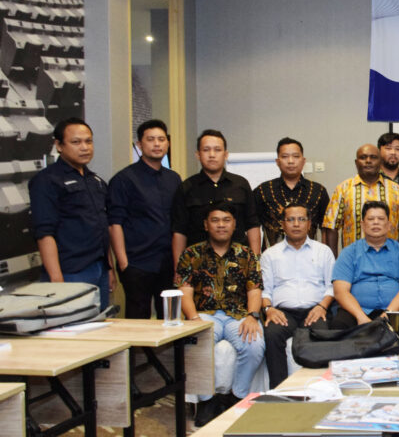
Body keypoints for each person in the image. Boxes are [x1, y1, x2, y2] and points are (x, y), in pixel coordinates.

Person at [176, 203, 263, 426]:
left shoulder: (246, 254)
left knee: (254, 345)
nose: (221, 225)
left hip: (238, 315)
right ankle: (207, 400)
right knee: (194, 342)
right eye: (215, 220)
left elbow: (254, 290)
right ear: (206, 225)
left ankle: (237, 396)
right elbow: (184, 291)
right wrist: (194, 320)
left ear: (234, 225)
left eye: (226, 220)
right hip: (204, 315)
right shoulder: (191, 254)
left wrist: (252, 316)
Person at [28, 117, 114, 309]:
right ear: (59, 145)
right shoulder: (47, 181)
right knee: (74, 324)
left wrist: (109, 268)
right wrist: (56, 280)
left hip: (99, 267)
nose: (84, 147)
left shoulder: (95, 181)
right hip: (70, 271)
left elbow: (102, 226)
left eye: (88, 141)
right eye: (76, 142)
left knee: (101, 322)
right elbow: (44, 233)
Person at [107, 119, 182, 318]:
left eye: (161, 139)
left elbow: (178, 222)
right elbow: (114, 224)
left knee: (170, 318)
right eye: (151, 139)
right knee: (138, 320)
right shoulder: (124, 179)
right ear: (139, 145)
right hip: (137, 263)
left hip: (168, 263)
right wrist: (123, 263)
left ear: (168, 143)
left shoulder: (174, 179)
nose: (157, 144)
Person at [260, 202, 336, 388]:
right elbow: (265, 290)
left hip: (315, 309)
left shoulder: (323, 251)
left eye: (301, 219)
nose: (296, 224)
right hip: (283, 312)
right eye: (291, 220)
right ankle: (279, 390)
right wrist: (269, 309)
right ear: (283, 224)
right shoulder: (270, 255)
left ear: (309, 224)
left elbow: (332, 287)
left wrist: (322, 306)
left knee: (322, 334)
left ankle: (321, 389)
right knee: (272, 334)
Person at [171, 129, 261, 267]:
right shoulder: (187, 187)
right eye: (206, 150)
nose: (212, 155)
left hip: (238, 264)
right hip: (198, 265)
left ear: (225, 154)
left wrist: (254, 263)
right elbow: (179, 232)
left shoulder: (241, 184)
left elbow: (252, 225)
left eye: (217, 150)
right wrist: (179, 268)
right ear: (198, 155)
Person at [331, 201, 399, 328]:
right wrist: (360, 316)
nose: (376, 222)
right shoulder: (349, 252)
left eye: (381, 219)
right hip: (357, 311)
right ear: (363, 225)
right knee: (339, 325)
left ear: (389, 225)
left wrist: (387, 314)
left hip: (394, 310)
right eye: (370, 219)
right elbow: (340, 291)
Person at [321, 143, 399, 255]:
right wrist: (334, 261)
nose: (368, 161)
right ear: (356, 163)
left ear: (380, 162)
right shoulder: (343, 189)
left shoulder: (395, 190)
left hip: (390, 260)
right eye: (363, 157)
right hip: (354, 260)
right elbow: (331, 227)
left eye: (373, 157)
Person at [254, 137, 329, 248]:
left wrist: (325, 253)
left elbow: (326, 227)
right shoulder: (263, 191)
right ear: (277, 162)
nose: (290, 161)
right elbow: (253, 227)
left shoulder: (318, 191)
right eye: (285, 156)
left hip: (310, 255)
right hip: (272, 256)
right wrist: (256, 256)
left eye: (296, 156)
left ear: (303, 161)